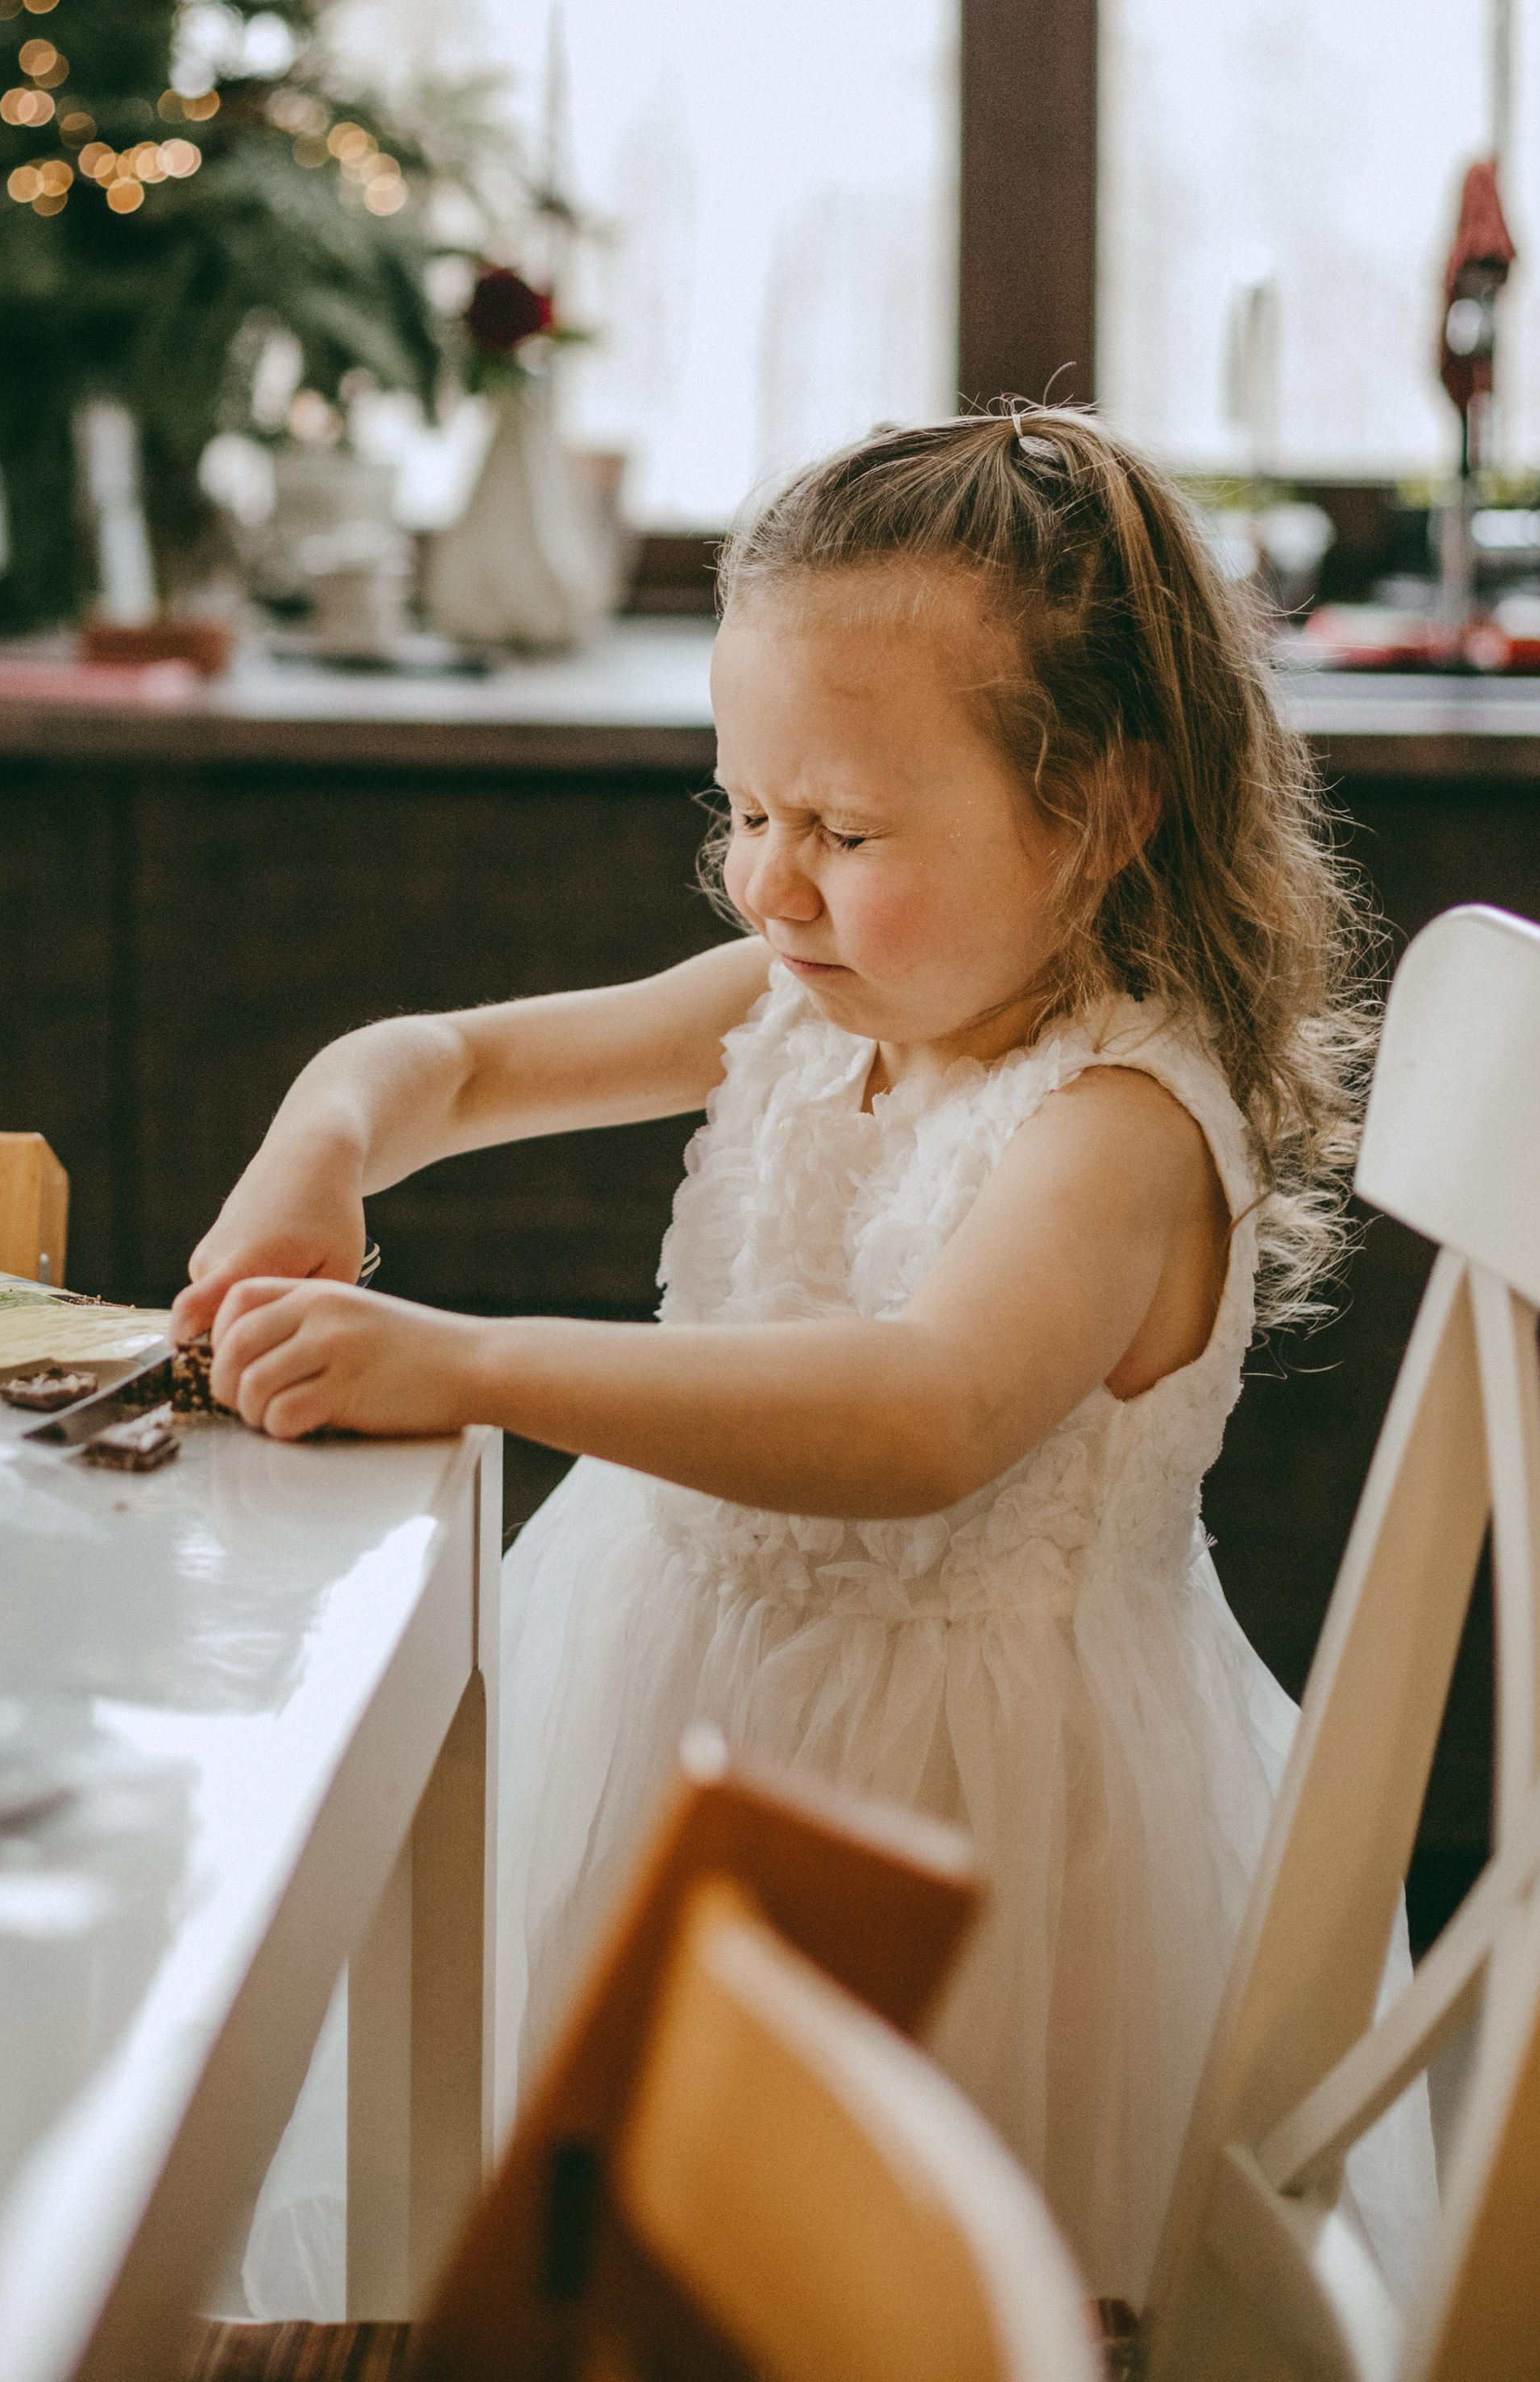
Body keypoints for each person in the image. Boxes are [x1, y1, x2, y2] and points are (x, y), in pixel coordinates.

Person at [180, 411, 1434, 2310]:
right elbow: (434, 1062)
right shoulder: (795, 997)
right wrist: (318, 1149)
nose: (769, 889)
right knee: (599, 2255)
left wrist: (473, 1361)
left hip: (975, 1826)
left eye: (842, 833)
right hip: (671, 1700)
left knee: (844, 2296)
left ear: (1100, 806)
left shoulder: (1116, 1125)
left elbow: (924, 1413)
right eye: (742, 812)